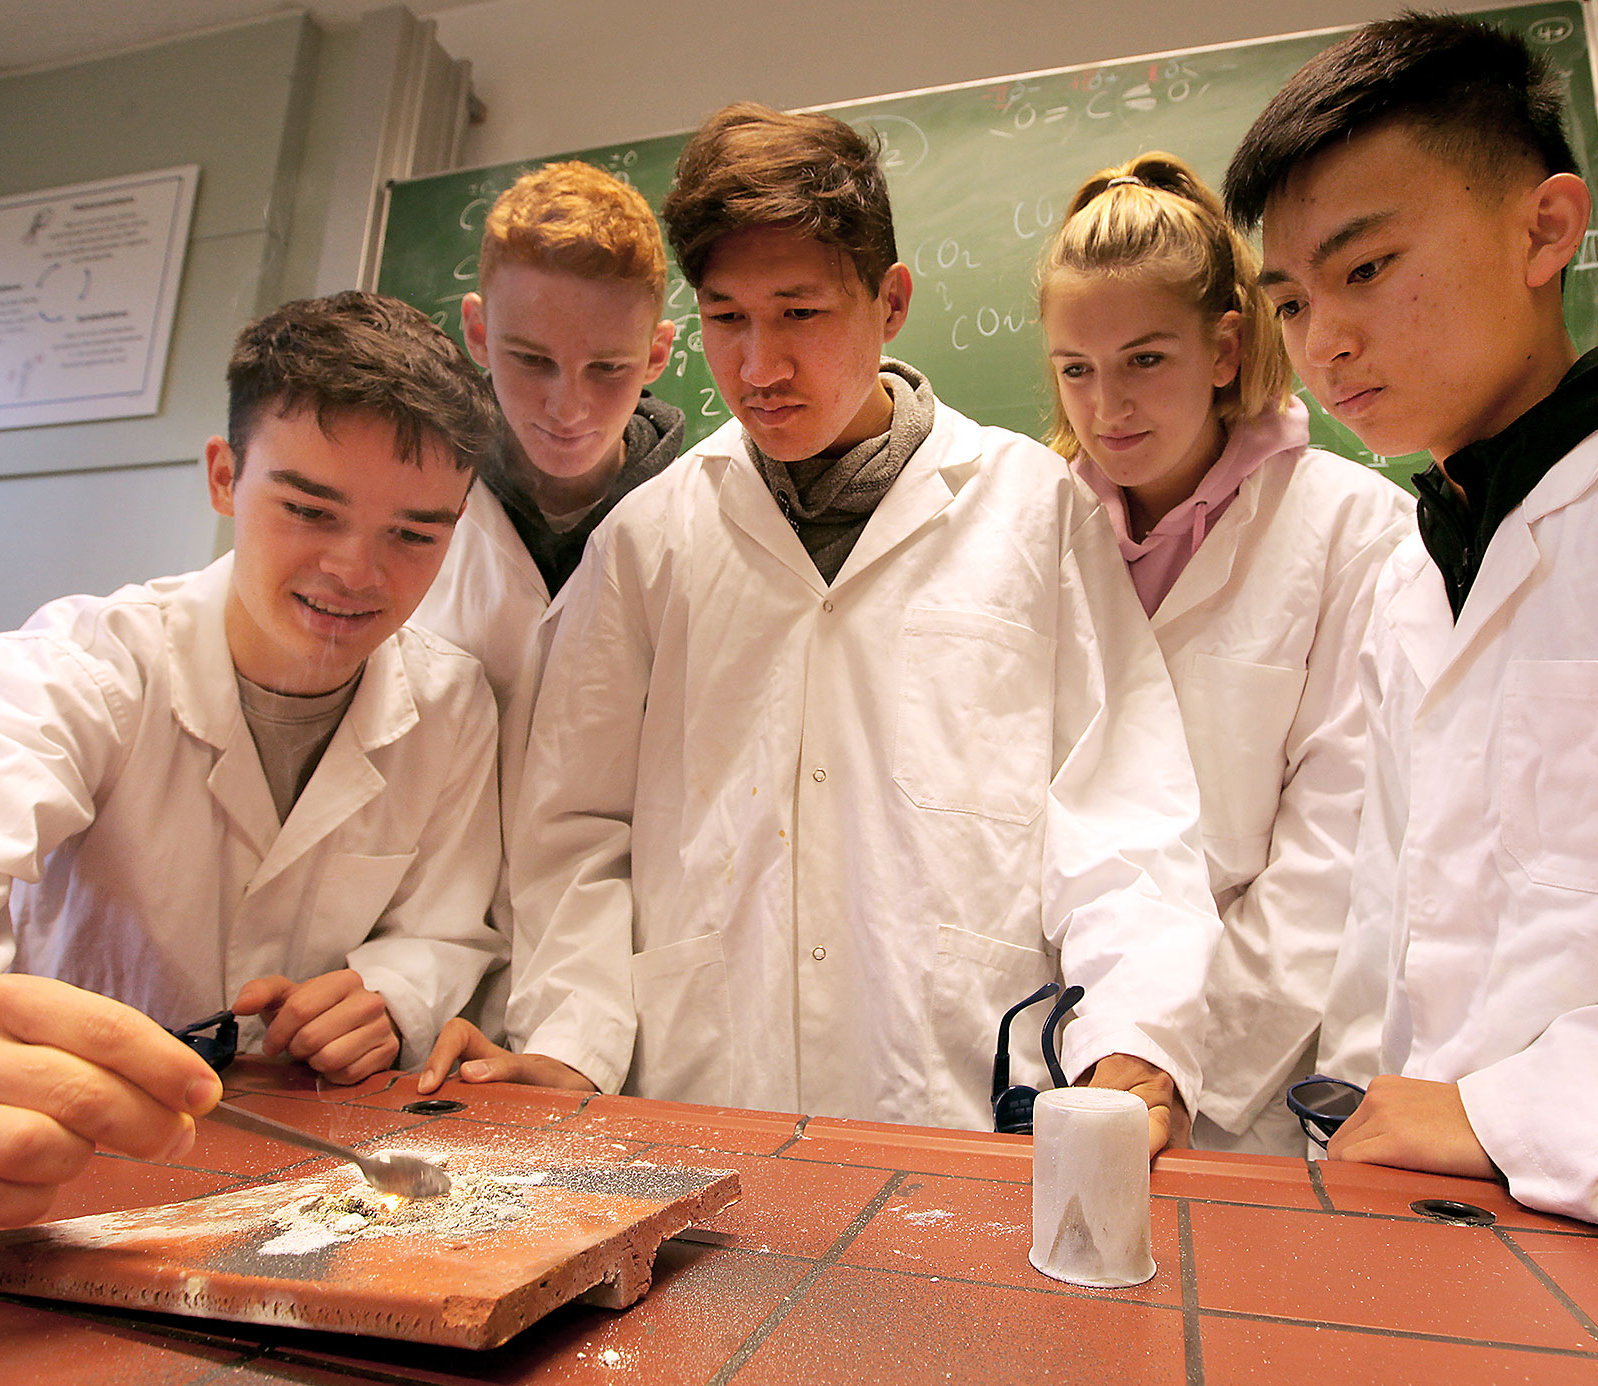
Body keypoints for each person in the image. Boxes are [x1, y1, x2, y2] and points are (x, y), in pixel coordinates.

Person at [477, 102, 1223, 1152]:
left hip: (954, 1087)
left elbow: (1124, 807)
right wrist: (574, 1036)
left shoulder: (1030, 506)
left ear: (892, 302)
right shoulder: (652, 540)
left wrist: (1136, 1029)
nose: (759, 366)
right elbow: (572, 830)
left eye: (800, 314)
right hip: (700, 1101)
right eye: (727, 319)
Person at [0, 290, 507, 1235]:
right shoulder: (89, 668)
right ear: (225, 477)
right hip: (55, 1181)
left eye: (414, 534)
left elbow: (451, 927)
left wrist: (391, 993)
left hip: (291, 1162)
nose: (356, 572)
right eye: (308, 508)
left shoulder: (452, 702)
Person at [1226, 11, 1598, 1239]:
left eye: (1365, 270)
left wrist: (1518, 1111)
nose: (1322, 343)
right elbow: (1398, 935)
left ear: (1546, 228)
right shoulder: (1421, 563)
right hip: (1447, 1224)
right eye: (1290, 302)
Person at [1038, 153, 1412, 1154]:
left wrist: (1176, 1065)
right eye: (1077, 369)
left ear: (1223, 348)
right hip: (1064, 1048)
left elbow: (1334, 851)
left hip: (1257, 1081)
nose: (1106, 407)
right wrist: (1108, 1048)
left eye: (1145, 360)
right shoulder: (1034, 526)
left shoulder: (1352, 530)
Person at [408, 164, 681, 1086]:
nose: (568, 406)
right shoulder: (410, 520)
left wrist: (579, 1035)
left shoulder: (699, 533)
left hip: (633, 1033)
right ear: (477, 331)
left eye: (608, 368)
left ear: (658, 355)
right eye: (530, 360)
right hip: (421, 1005)